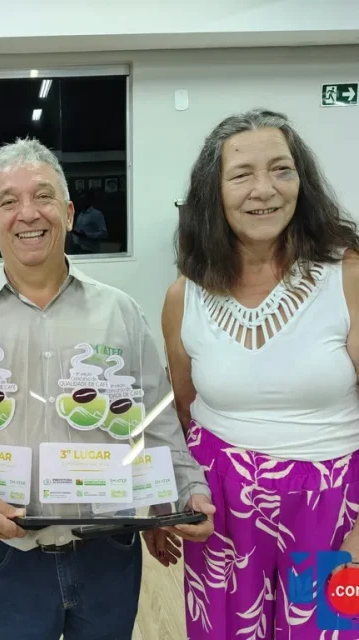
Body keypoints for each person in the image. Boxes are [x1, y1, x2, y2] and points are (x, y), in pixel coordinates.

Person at [0, 137, 214, 640]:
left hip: (110, 547)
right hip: (11, 554)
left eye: (43, 196)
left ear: (67, 213)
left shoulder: (119, 314)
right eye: (8, 202)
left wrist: (182, 490)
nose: (28, 213)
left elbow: (156, 417)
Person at [158, 108, 359, 638]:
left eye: (281, 170)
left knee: (328, 632)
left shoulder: (348, 277)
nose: (264, 189)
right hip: (222, 513)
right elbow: (183, 415)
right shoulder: (184, 296)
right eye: (242, 174)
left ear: (302, 182)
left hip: (332, 511)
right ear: (213, 193)